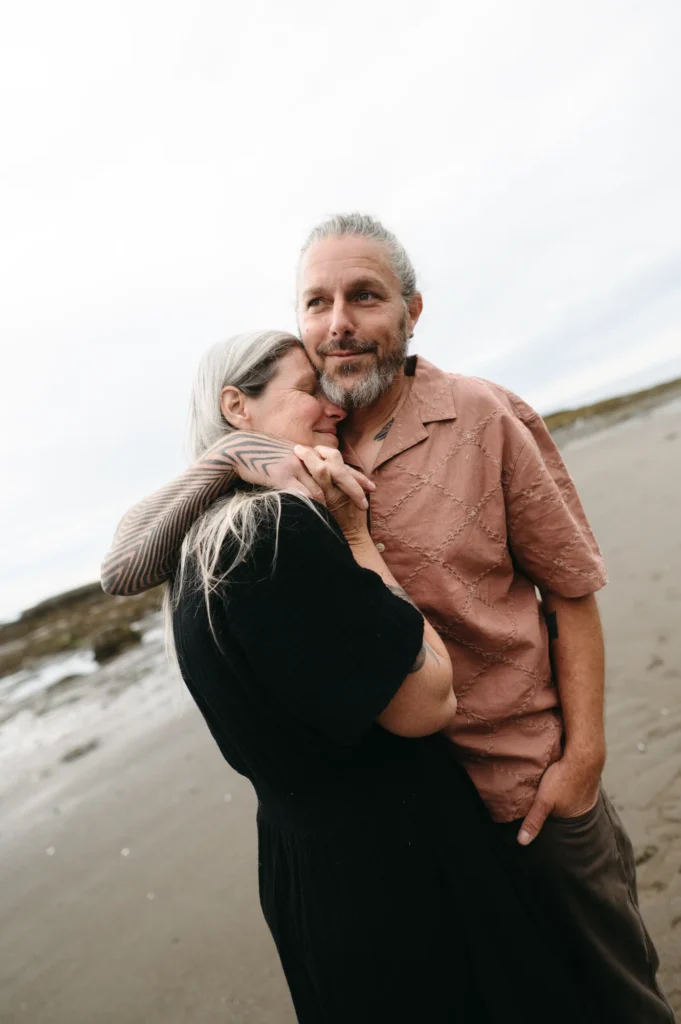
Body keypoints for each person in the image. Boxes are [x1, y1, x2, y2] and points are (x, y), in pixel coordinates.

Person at [102, 214, 675, 1024]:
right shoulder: (292, 472)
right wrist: (230, 453)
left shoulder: (481, 414)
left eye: (363, 296)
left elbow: (571, 589)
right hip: (425, 836)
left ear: (410, 309)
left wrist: (581, 761)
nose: (338, 322)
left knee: (616, 1002)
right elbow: (128, 560)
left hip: (527, 794)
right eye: (317, 301)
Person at [164, 328, 597, 1023]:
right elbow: (426, 703)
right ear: (236, 408)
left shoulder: (198, 553)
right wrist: (359, 535)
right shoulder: (274, 534)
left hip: (309, 875)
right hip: (398, 880)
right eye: (308, 391)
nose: (331, 406)